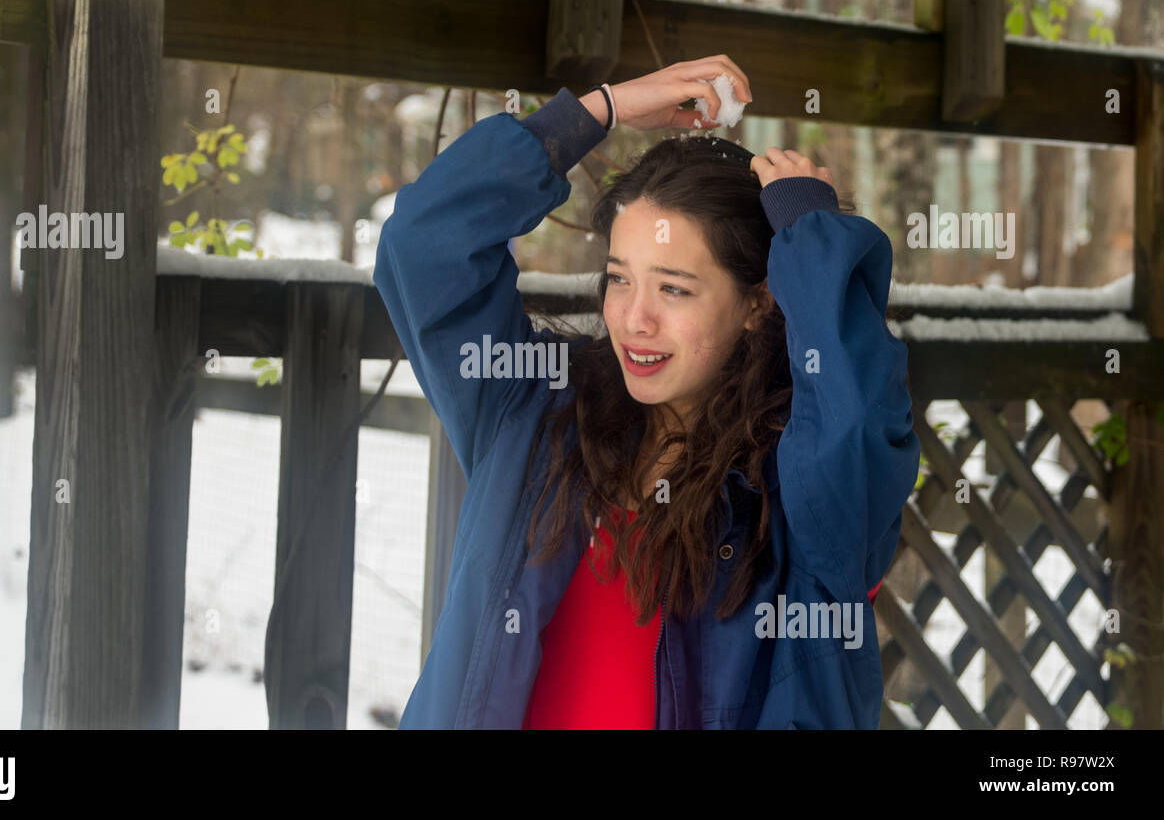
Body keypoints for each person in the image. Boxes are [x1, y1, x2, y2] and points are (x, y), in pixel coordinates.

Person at [373, 55, 921, 729]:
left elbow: (859, 422)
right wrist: (602, 109)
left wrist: (813, 237)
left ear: (759, 303)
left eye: (674, 288)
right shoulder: (538, 412)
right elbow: (422, 244)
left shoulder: (797, 489)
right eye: (620, 278)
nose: (635, 318)